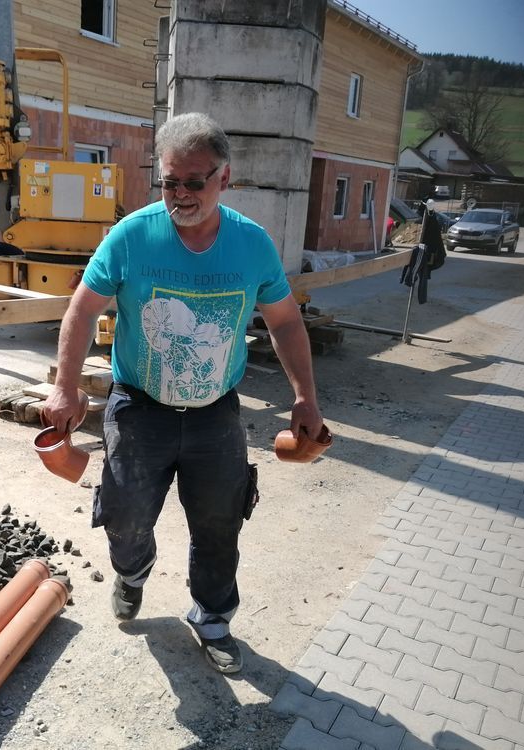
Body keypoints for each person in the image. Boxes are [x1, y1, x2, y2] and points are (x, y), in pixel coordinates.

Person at [41, 112, 323, 673]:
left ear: (225, 177)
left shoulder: (252, 245)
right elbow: (82, 309)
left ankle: (212, 616)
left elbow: (286, 321)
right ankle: (133, 572)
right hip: (139, 408)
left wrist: (305, 397)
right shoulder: (132, 236)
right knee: (124, 514)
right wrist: (65, 388)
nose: (181, 194)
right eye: (170, 181)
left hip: (214, 415)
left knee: (220, 522)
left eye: (195, 181)